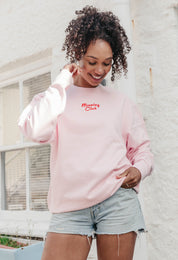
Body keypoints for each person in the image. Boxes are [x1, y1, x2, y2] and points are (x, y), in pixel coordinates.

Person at [18, 5, 153, 260]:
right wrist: (61, 82)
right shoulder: (57, 97)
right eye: (92, 62)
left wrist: (139, 169)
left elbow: (142, 149)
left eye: (107, 63)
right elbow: (35, 130)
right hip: (69, 207)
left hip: (117, 203)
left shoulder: (121, 102)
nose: (99, 70)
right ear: (78, 54)